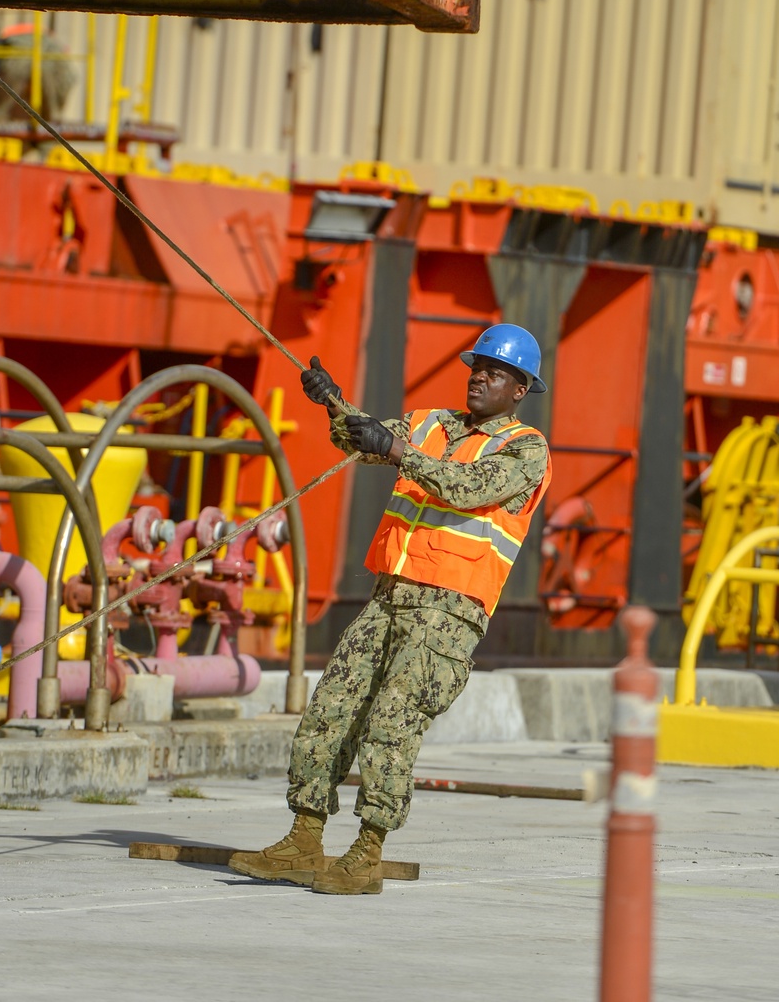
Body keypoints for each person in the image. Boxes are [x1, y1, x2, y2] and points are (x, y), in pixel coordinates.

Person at [229, 324, 552, 896]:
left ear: (519, 389)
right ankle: (304, 838)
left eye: (495, 372)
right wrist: (332, 403)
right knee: (330, 708)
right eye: (476, 366)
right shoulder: (433, 424)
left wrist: (395, 448)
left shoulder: (525, 449)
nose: (479, 377)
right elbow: (362, 438)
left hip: (448, 612)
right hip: (390, 595)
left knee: (391, 726)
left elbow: (468, 487)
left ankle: (367, 853)